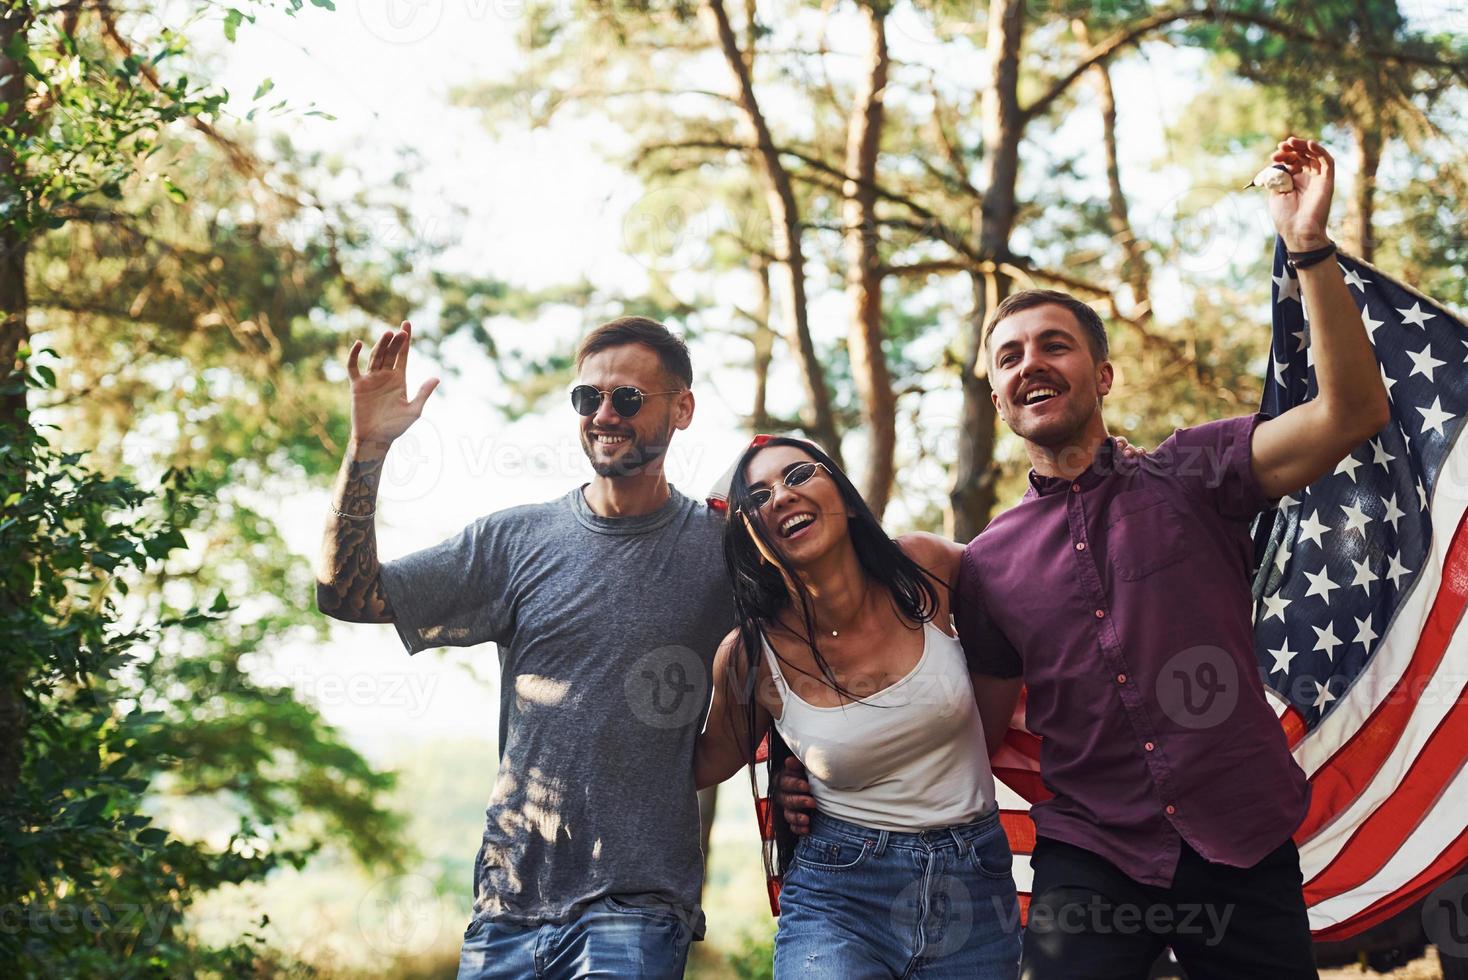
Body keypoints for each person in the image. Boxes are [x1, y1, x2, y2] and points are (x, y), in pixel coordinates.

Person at [779, 136, 1389, 979]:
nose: (1032, 362)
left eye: (1054, 345)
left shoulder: (1198, 472)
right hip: (1091, 856)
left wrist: (1307, 246)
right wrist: (816, 779)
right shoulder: (987, 564)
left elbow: (1352, 412)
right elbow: (962, 730)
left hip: (1240, 835)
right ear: (998, 398)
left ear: (1101, 375)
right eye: (1010, 356)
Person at [316, 316, 735, 979]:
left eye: (627, 398)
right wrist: (368, 447)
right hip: (506, 901)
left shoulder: (722, 551)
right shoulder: (514, 542)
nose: (604, 414)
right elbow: (347, 595)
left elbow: (807, 653)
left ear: (682, 408)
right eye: (586, 398)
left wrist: (802, 776)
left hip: (637, 906)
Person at [695, 435, 1023, 979]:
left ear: (845, 497)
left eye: (798, 476)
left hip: (975, 888)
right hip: (840, 893)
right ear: (750, 538)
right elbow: (704, 762)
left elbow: (1030, 573)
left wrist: (1100, 462)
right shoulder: (749, 654)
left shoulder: (926, 568)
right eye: (756, 497)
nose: (780, 496)